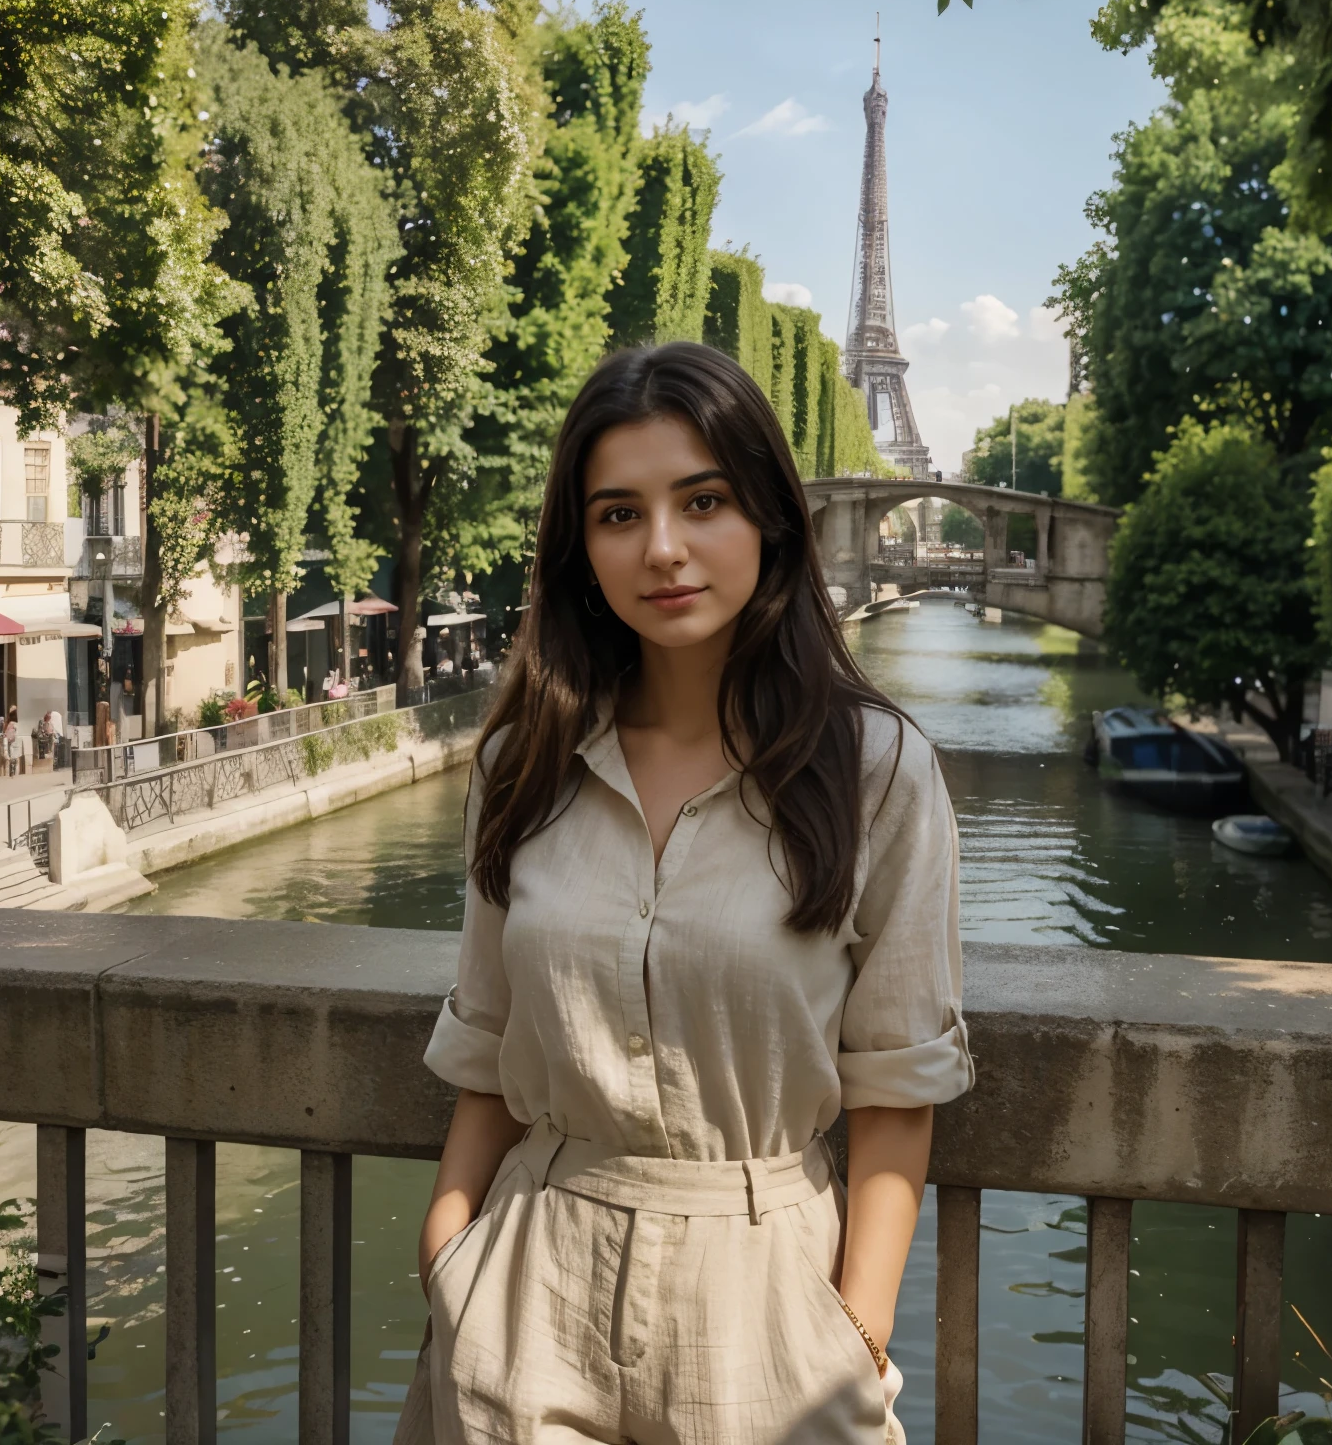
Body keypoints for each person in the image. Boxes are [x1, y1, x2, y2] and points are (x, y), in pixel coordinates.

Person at [402, 344, 972, 1444]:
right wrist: (449, 1250)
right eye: (619, 514)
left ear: (769, 517)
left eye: (702, 501)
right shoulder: (524, 759)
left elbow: (897, 1088)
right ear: (582, 547)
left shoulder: (876, 771)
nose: (662, 548)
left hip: (768, 1312)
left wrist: (856, 1331)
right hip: (528, 1289)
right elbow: (488, 1038)